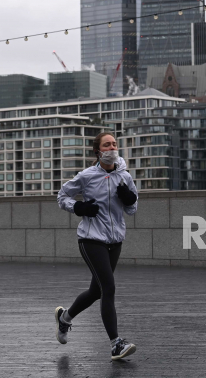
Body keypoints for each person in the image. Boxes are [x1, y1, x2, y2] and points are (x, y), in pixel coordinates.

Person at [54, 131, 139, 361]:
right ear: (98, 151)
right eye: (107, 145)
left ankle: (65, 318)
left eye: (114, 144)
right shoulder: (87, 176)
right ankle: (115, 344)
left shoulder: (125, 177)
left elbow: (132, 209)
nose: (112, 149)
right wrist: (79, 208)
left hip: (115, 240)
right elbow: (62, 196)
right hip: (91, 239)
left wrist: (128, 198)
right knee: (108, 288)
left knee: (96, 291)